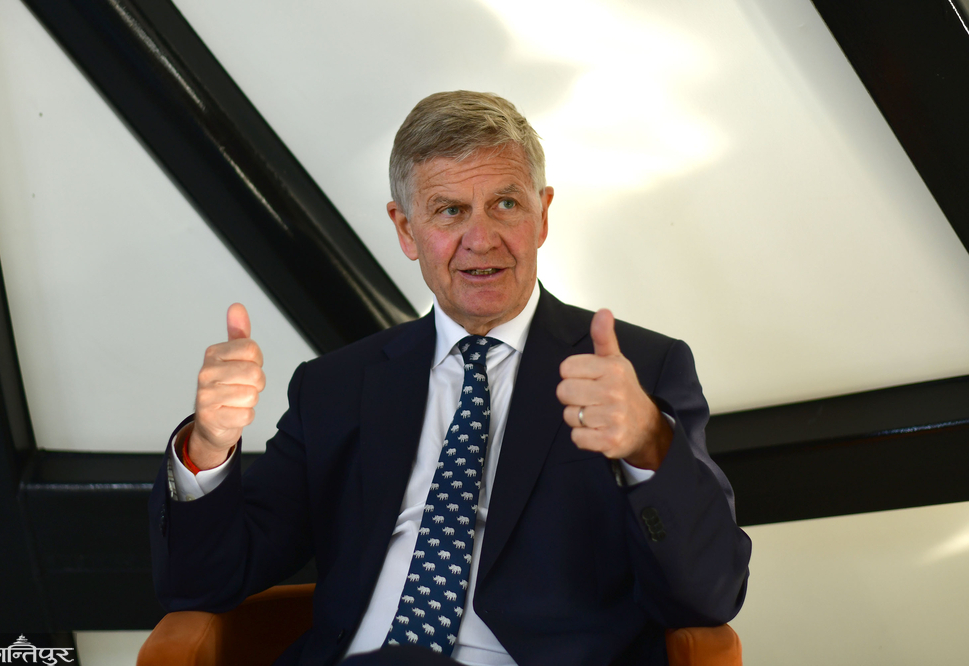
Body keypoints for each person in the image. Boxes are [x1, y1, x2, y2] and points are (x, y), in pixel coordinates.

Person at [149, 91, 751, 666]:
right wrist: (209, 446)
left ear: (543, 215)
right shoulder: (334, 387)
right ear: (406, 230)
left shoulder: (637, 372)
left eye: (506, 204)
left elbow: (709, 596)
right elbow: (201, 582)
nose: (481, 239)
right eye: (450, 211)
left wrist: (648, 443)